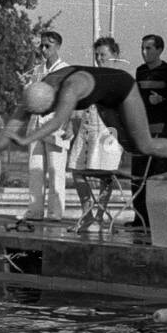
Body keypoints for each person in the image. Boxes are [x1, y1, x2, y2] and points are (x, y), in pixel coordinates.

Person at [0, 66, 167, 230]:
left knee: (144, 145)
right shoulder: (41, 87)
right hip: (104, 98)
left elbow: (56, 122)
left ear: (52, 101)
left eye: (47, 111)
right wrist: (0, 144)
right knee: (130, 146)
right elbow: (19, 116)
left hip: (123, 88)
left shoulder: (69, 89)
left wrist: (26, 140)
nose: (48, 113)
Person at [68, 38, 128, 232]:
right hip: (87, 128)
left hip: (108, 131)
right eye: (97, 55)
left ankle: (100, 217)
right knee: (76, 171)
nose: (99, 58)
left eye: (103, 54)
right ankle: (87, 214)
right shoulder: (90, 76)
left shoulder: (120, 78)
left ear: (115, 56)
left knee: (106, 175)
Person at [130, 34, 167, 229]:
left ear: (159, 50)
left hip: (162, 131)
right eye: (142, 48)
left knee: (157, 175)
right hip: (142, 130)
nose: (144, 53)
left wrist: (162, 101)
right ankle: (139, 218)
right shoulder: (140, 71)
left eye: (149, 49)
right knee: (138, 175)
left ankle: (157, 221)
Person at [22, 31, 71, 220]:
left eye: (47, 46)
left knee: (55, 170)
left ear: (57, 46)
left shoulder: (66, 69)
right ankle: (34, 210)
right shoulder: (37, 70)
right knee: (35, 169)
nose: (43, 50)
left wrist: (68, 124)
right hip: (36, 124)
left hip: (56, 124)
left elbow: (71, 99)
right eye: (41, 46)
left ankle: (55, 212)